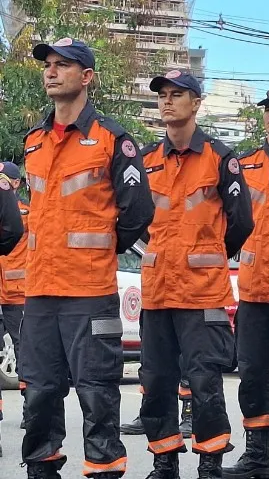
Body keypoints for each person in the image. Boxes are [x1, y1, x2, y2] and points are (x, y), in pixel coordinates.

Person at [21, 37, 152, 478]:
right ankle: (41, 468)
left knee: (97, 393)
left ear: (87, 77)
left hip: (88, 292)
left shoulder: (113, 140)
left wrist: (99, 250)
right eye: (48, 65)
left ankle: (103, 470)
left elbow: (137, 212)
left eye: (64, 65)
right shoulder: (34, 141)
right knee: (38, 392)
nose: (52, 71)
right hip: (39, 291)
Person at [138, 70, 254, 479]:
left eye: (177, 95)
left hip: (202, 292)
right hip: (156, 291)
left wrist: (208, 254)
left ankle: (209, 461)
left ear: (196, 104)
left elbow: (241, 222)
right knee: (155, 381)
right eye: (163, 95)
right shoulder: (147, 160)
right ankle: (164, 461)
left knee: (205, 384)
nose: (167, 102)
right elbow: (135, 217)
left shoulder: (221, 159)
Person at [222, 84, 269, 479]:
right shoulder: (246, 163)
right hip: (254, 289)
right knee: (251, 374)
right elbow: (231, 220)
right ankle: (257, 454)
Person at [0, 161, 26, 457]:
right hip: (4, 291)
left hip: (19, 293)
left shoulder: (27, 214)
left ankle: (30, 407)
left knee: (24, 352)